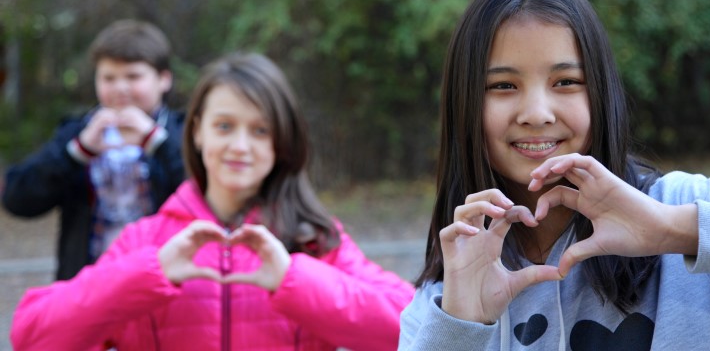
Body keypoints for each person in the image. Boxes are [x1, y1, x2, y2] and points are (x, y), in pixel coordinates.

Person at [399, 0, 710, 350]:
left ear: (600, 95)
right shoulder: (442, 300)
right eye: (503, 85)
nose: (537, 113)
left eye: (566, 82)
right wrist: (461, 324)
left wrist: (674, 229)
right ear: (464, 105)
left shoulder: (678, 206)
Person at [10, 52, 415, 350]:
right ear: (198, 131)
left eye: (260, 130)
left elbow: (412, 328)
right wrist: (149, 274)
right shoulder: (145, 242)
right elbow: (32, 334)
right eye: (225, 126)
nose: (240, 146)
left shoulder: (313, 237)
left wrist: (294, 280)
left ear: (281, 141)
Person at [2, 19, 185, 280]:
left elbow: (207, 194)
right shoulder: (77, 132)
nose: (121, 88)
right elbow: (17, 199)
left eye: (133, 76)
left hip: (167, 283)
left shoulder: (185, 132)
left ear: (163, 79)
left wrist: (158, 143)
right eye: (109, 78)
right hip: (90, 286)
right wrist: (77, 152)